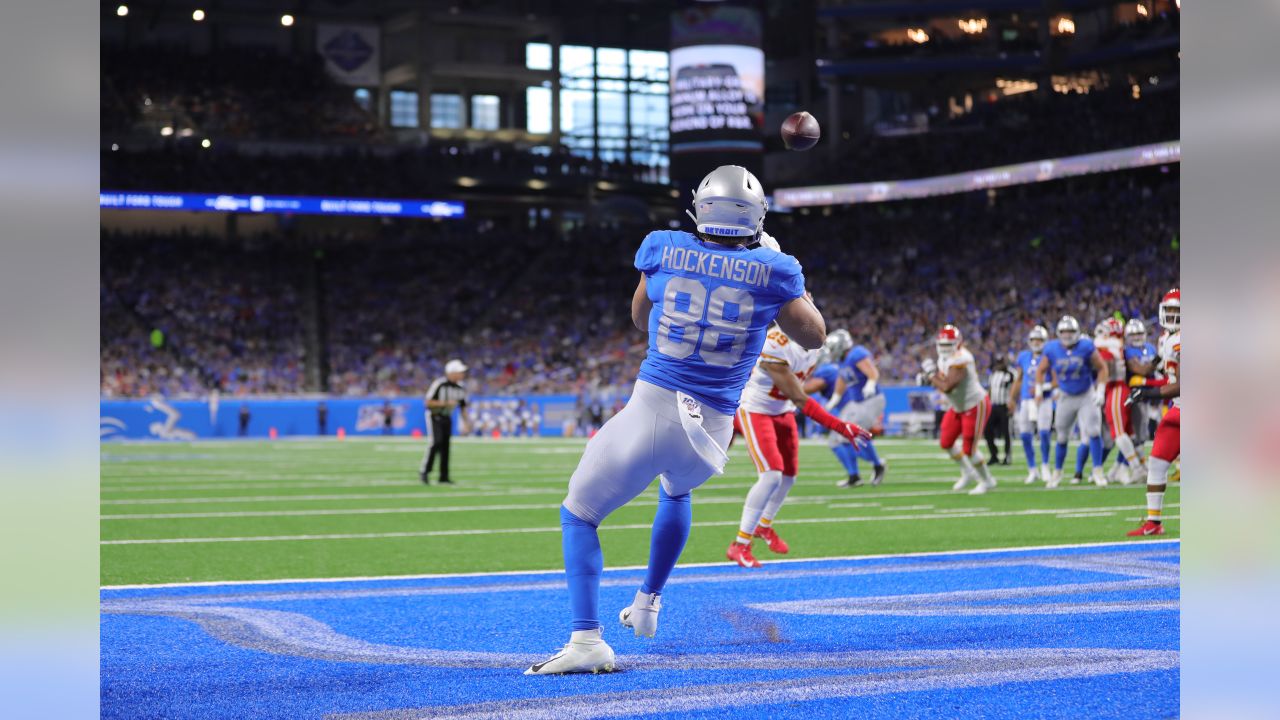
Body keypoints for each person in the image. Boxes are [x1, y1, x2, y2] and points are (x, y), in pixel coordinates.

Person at [524, 165, 869, 675]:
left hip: (653, 407)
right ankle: (647, 601)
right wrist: (772, 270)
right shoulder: (776, 268)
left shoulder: (662, 247)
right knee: (677, 492)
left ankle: (586, 641)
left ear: (700, 208)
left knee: (579, 514)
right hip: (713, 432)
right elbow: (815, 336)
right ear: (756, 216)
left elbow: (641, 317)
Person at [728, 321, 865, 568]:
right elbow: (801, 398)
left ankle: (764, 526)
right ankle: (740, 544)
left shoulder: (814, 346)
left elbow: (797, 392)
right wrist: (841, 426)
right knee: (771, 476)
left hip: (784, 411)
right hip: (757, 410)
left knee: (789, 477)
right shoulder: (775, 343)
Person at [920, 325, 998, 495]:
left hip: (974, 405)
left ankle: (987, 480)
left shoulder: (963, 358)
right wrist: (930, 377)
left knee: (969, 448)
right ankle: (968, 471)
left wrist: (931, 375)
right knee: (946, 442)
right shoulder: (943, 359)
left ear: (958, 343)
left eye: (949, 345)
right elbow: (943, 379)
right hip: (957, 407)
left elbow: (947, 386)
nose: (945, 348)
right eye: (943, 345)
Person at [1127, 289, 1180, 536]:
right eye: (1168, 310)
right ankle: (1154, 523)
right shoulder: (1166, 339)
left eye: (1177, 311)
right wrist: (1145, 386)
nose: (1171, 316)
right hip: (1178, 411)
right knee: (1157, 461)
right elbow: (1169, 380)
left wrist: (1148, 393)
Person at [1035, 315, 1110, 489]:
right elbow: (1040, 370)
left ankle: (1098, 471)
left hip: (1085, 394)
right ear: (1058, 332)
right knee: (1061, 436)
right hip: (1066, 395)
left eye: (1070, 331)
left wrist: (1100, 390)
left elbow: (1102, 368)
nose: (1067, 335)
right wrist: (1039, 391)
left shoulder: (1086, 346)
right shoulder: (1052, 348)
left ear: (1077, 332)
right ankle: (1057, 472)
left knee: (1093, 431)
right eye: (1064, 331)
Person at [825, 331, 888, 487]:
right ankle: (854, 476)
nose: (831, 352)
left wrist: (871, 383)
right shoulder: (842, 361)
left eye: (833, 348)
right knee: (834, 439)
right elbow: (841, 380)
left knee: (848, 436)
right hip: (857, 403)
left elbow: (873, 372)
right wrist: (835, 399)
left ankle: (877, 464)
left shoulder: (856, 353)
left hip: (871, 400)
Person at [1010, 325, 1053, 484]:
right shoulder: (1024, 356)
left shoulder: (1050, 356)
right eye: (1034, 339)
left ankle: (1045, 465)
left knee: (1044, 433)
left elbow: (1056, 380)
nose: (1036, 342)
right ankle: (1032, 469)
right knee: (1025, 435)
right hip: (1026, 400)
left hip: (1044, 399)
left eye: (1039, 339)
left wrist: (1043, 388)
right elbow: (1019, 378)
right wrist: (1012, 398)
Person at [419, 359, 469, 485]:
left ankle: (444, 476)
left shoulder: (460, 387)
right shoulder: (440, 384)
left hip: (447, 417)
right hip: (435, 416)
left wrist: (466, 423)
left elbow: (463, 406)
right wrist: (446, 403)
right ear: (451, 372)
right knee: (436, 442)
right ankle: (425, 471)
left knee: (446, 446)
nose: (462, 374)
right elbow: (428, 402)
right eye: (460, 371)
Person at [984, 355, 1015, 465]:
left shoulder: (1011, 374)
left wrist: (1013, 403)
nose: (999, 365)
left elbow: (1015, 389)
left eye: (1001, 363)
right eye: (997, 363)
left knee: (1006, 432)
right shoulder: (992, 375)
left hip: (1005, 406)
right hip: (993, 406)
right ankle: (994, 455)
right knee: (987, 430)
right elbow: (990, 390)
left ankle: (1007, 456)